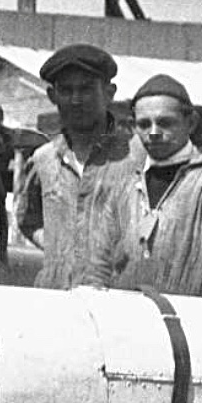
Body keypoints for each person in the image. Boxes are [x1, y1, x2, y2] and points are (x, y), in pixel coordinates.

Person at [83, 74, 202, 300]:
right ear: (132, 127)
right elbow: (97, 266)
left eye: (165, 123)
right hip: (126, 318)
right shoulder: (123, 183)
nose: (153, 132)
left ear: (191, 123)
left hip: (191, 319)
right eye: (144, 124)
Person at [16, 43, 146, 289]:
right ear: (52, 96)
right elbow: (27, 220)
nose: (75, 100)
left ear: (109, 93)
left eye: (86, 89)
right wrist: (60, 249)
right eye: (66, 90)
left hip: (118, 297)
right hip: (56, 296)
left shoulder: (136, 154)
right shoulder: (44, 160)